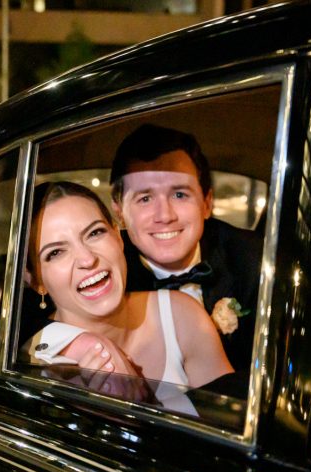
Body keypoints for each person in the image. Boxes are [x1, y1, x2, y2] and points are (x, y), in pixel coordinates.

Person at [23, 181, 233, 399]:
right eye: (56, 253)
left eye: (95, 233)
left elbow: (229, 422)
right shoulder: (40, 370)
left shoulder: (180, 314)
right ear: (37, 280)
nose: (87, 259)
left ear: (117, 236)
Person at [108, 124, 263, 373]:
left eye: (179, 195)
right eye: (145, 198)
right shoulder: (104, 271)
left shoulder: (255, 261)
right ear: (119, 213)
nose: (165, 216)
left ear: (207, 203)